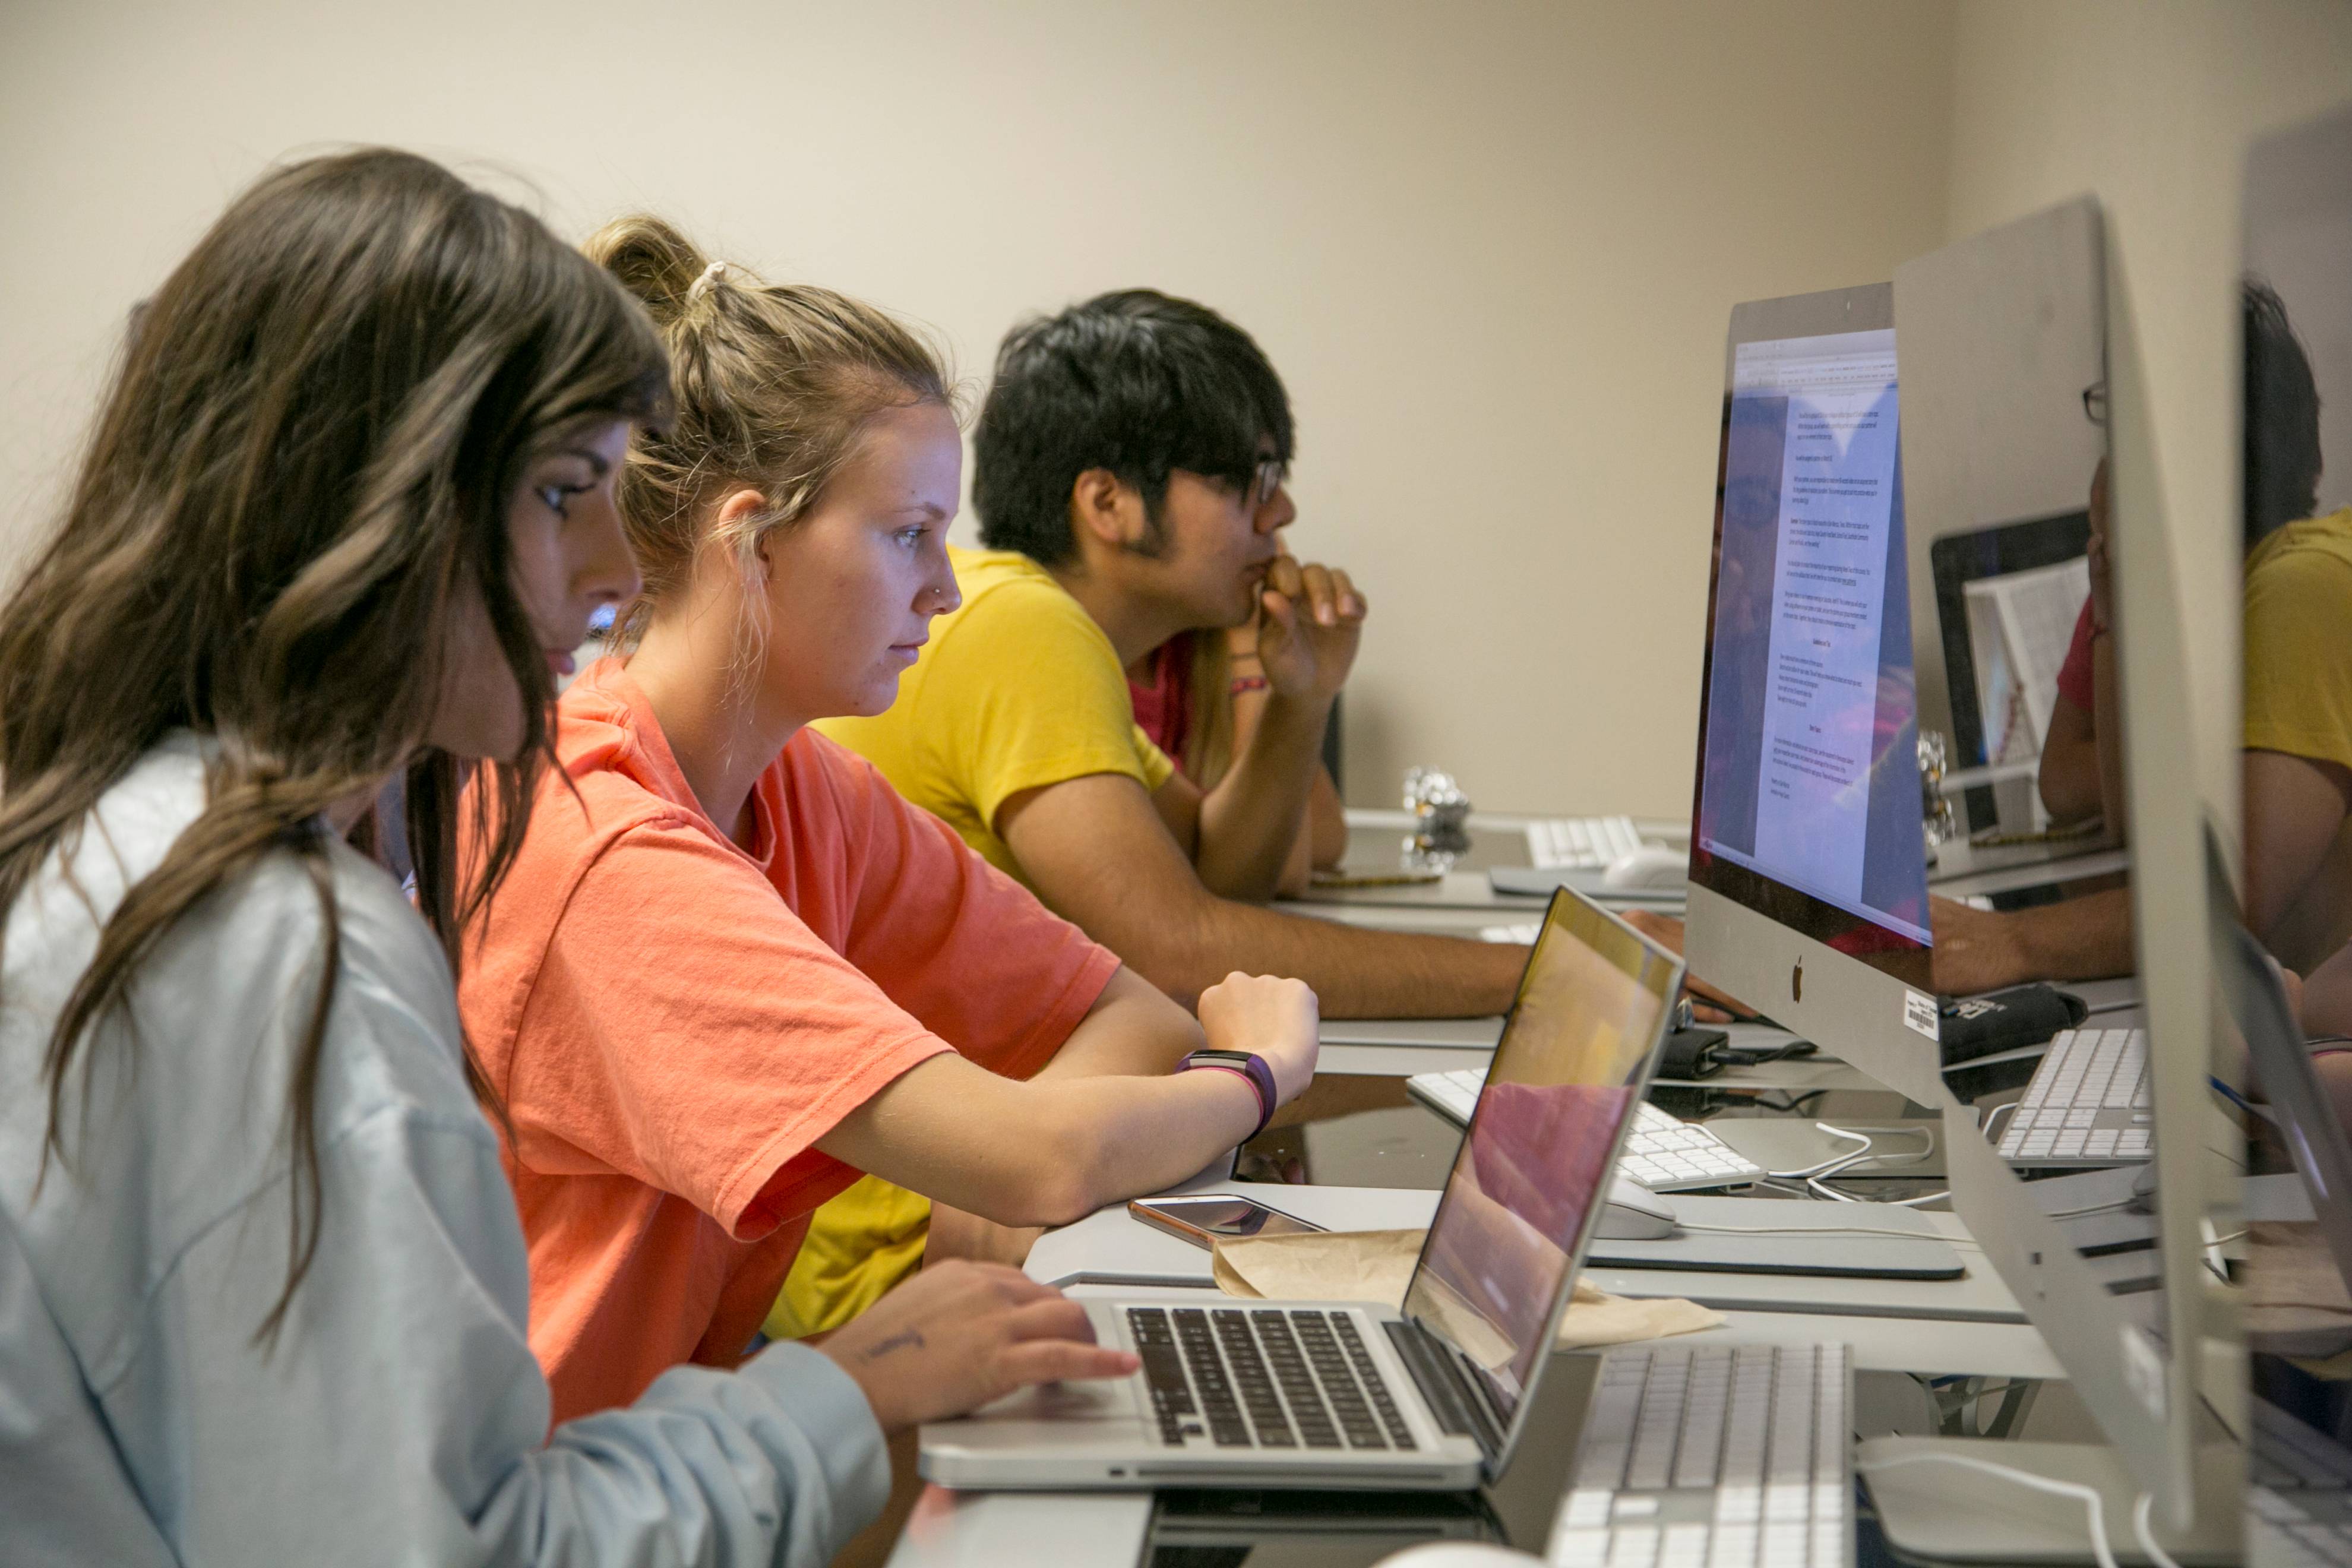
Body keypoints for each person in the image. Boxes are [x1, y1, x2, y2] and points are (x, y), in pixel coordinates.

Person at [0, 150, 1134, 1567]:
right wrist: (839, 1393)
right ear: (367, 503)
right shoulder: (284, 952)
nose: (613, 564)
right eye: (559, 493)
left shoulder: (155, 846)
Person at [455, 220, 1323, 1407]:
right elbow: (1056, 1148)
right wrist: (1259, 1072)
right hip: (556, 1495)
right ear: (750, 540)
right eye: (908, 534)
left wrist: (998, 1163)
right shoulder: (611, 847)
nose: (946, 586)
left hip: (681, 1430)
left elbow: (1129, 1011)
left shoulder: (802, 785)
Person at [816, 289, 1529, 1016]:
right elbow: (1179, 955)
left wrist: (1302, 698)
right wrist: (1538, 977)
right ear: (1108, 504)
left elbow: (1218, 874)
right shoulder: (1020, 625)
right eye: (1253, 479)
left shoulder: (1039, 625)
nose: (1280, 514)